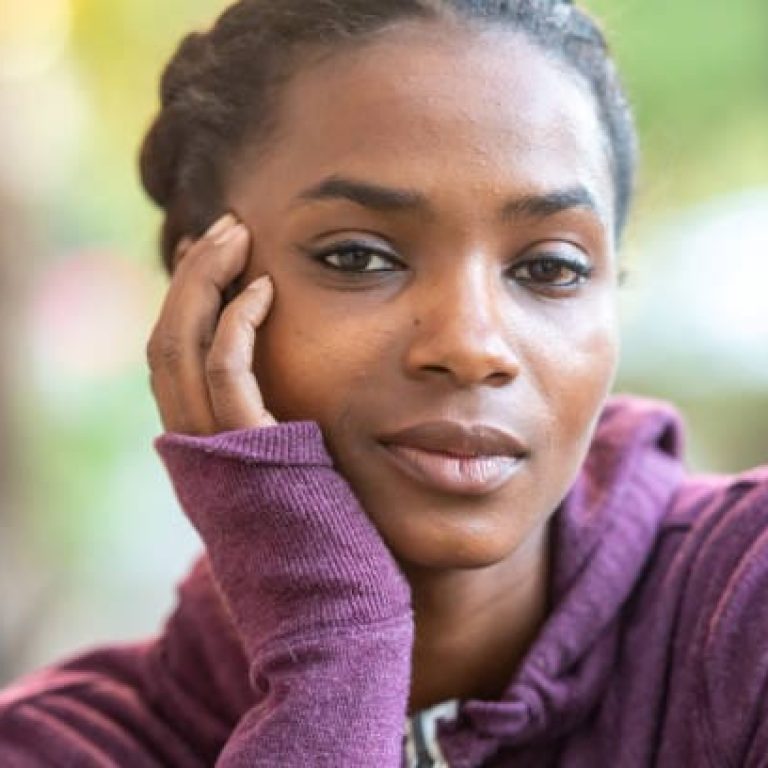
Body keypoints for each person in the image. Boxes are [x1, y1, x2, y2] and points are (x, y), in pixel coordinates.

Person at [1, 0, 766, 765]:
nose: (471, 347)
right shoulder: (54, 746)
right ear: (201, 288)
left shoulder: (744, 603)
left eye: (550, 268)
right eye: (360, 257)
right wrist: (332, 646)